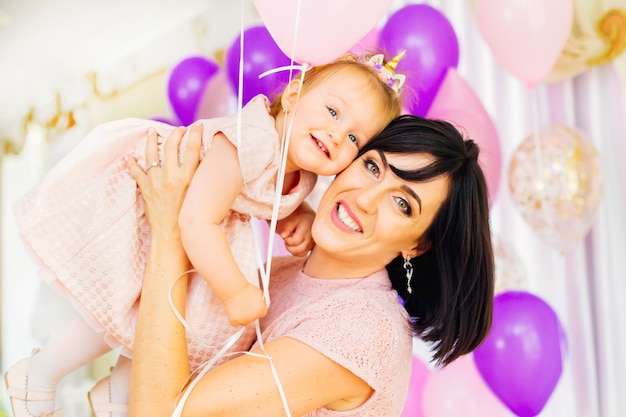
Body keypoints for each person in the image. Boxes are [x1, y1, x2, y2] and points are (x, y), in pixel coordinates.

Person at [4, 51, 406, 417]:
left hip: (200, 229)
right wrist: (235, 291)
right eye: (333, 112)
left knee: (181, 320)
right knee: (119, 311)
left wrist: (294, 213)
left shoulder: (303, 173)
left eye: (355, 138)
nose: (338, 134)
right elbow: (196, 220)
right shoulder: (253, 141)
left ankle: (120, 395)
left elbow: (259, 196)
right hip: (159, 204)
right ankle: (37, 375)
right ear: (296, 93)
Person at [125, 113, 495, 417]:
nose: (365, 198)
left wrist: (173, 230)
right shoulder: (283, 272)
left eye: (402, 204)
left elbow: (160, 412)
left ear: (419, 244)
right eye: (371, 166)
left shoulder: (364, 330)